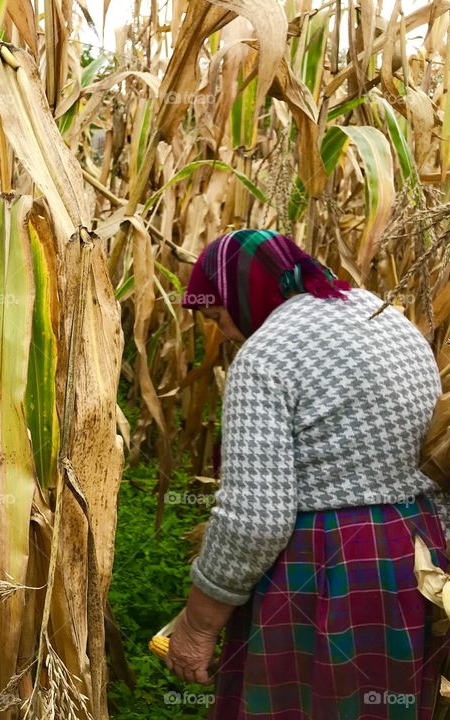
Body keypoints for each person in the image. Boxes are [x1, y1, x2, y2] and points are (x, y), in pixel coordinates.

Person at [167, 229, 449, 719]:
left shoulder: (267, 355)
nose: (226, 334)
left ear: (244, 292)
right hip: (416, 558)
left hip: (323, 569)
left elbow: (254, 520)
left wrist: (198, 624)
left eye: (217, 317)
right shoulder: (389, 321)